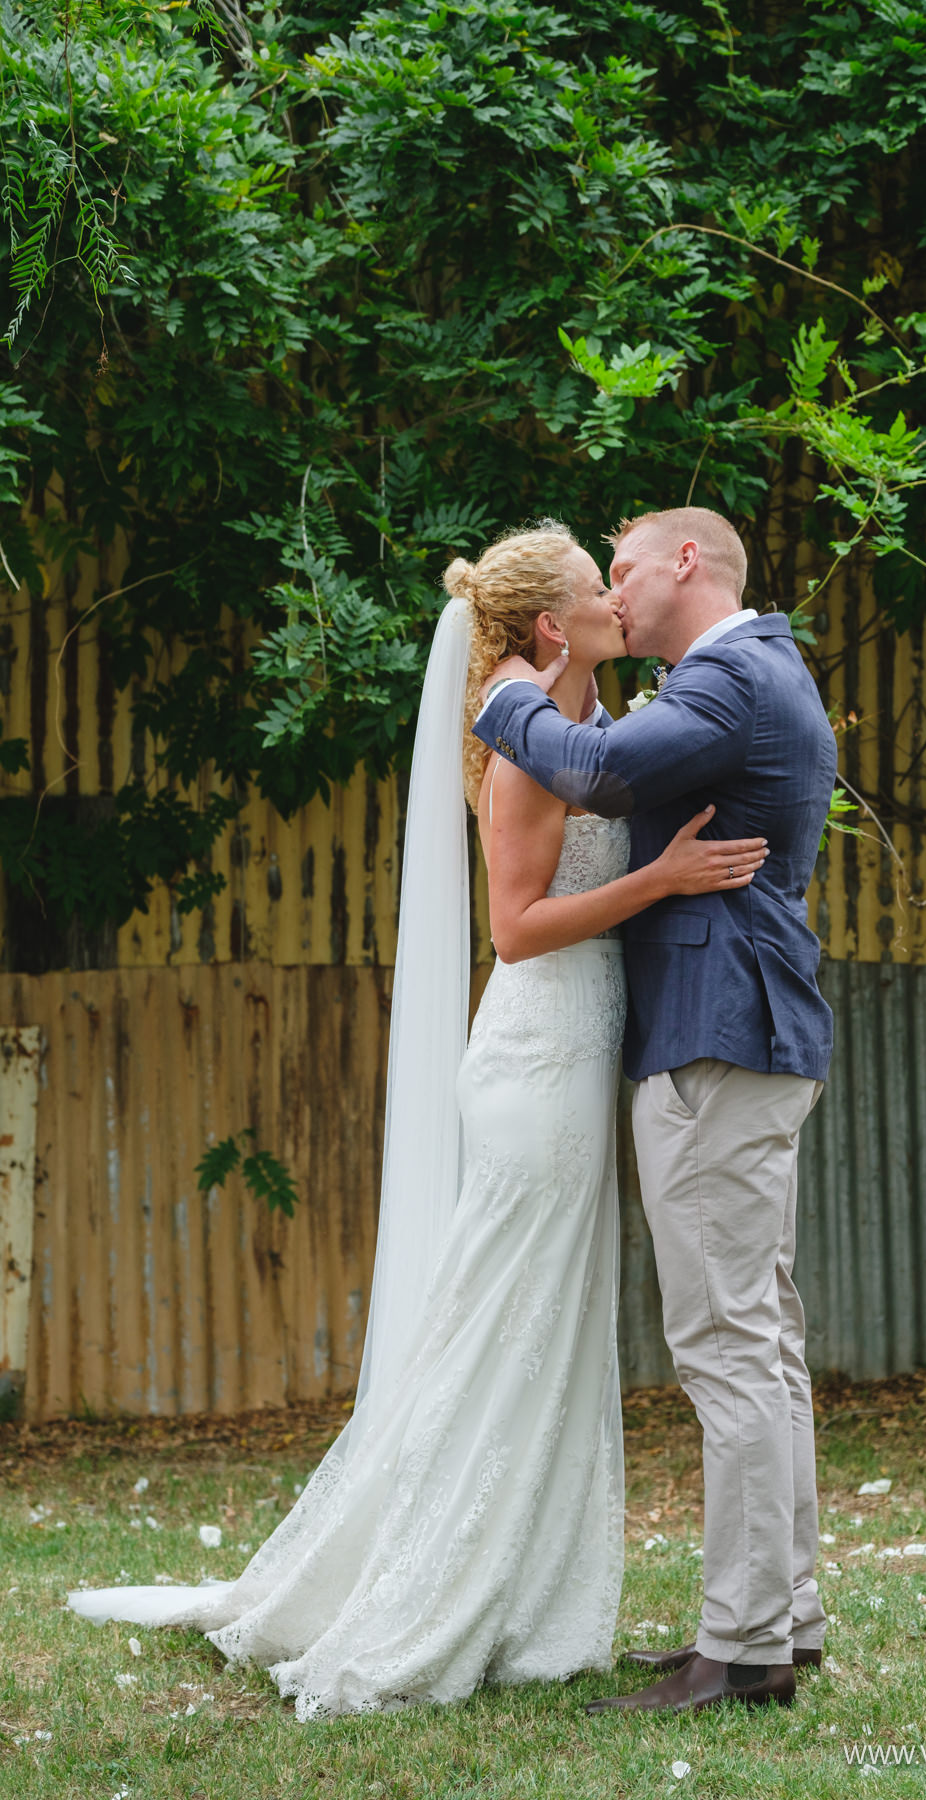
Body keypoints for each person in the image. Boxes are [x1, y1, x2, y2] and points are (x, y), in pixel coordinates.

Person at [65, 520, 768, 1716]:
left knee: (545, 1324)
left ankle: (532, 1596)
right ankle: (421, 1595)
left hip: (582, 1051)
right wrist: (659, 881)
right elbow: (518, 929)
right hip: (538, 1059)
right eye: (599, 589)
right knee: (502, 1322)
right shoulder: (527, 752)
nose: (616, 599)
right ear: (554, 625)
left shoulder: (586, 731)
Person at [474, 505, 838, 1716]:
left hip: (713, 1040)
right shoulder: (743, 670)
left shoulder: (731, 675)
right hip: (747, 1033)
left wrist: (504, 692)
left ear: (688, 562)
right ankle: (782, 1622)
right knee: (763, 1342)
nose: (614, 591)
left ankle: (739, 1650)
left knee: (727, 1348)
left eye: (622, 566)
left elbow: (597, 771)